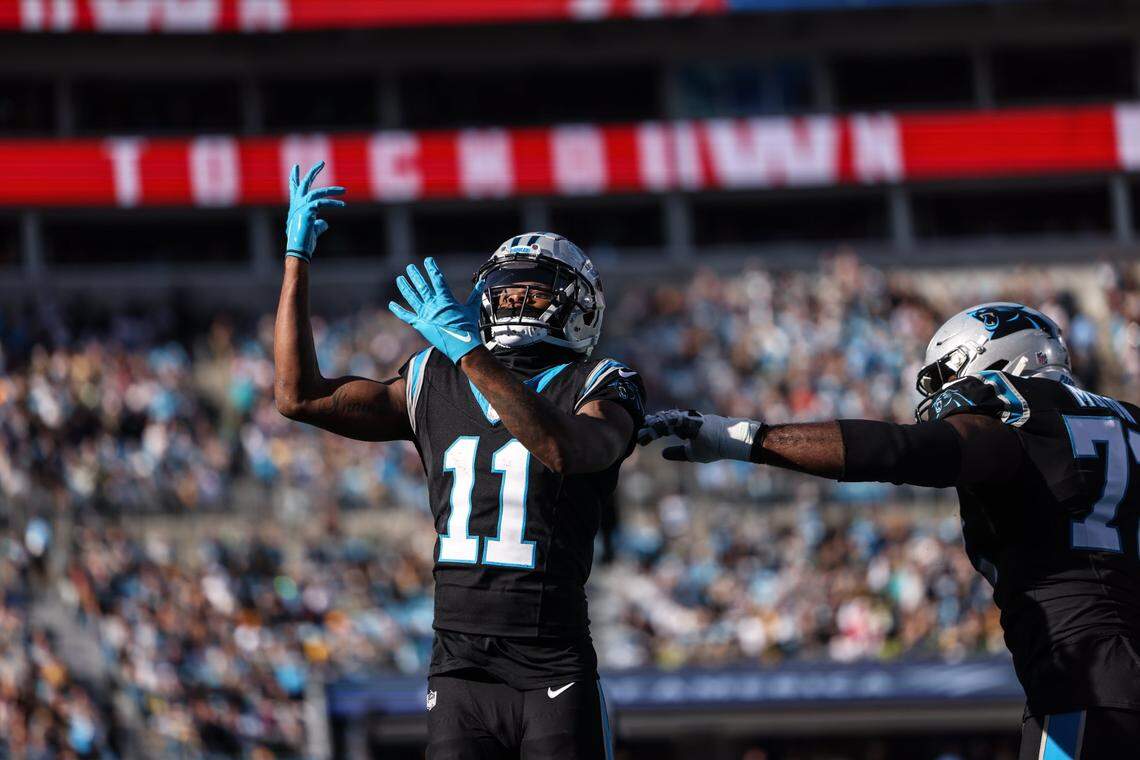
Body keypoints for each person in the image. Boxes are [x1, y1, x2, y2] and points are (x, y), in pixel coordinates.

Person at [640, 301, 1140, 760]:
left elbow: (905, 450)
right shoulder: (1131, 424)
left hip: (1086, 679)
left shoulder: (1018, 421)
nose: (943, 392)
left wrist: (744, 439)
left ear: (1004, 358)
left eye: (948, 372)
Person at [273, 162, 644, 759]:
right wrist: (296, 259)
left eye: (535, 289)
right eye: (507, 289)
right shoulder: (432, 377)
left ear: (579, 306)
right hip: (459, 671)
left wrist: (470, 353)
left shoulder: (599, 382)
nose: (517, 300)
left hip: (553, 665)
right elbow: (299, 396)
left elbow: (563, 448)